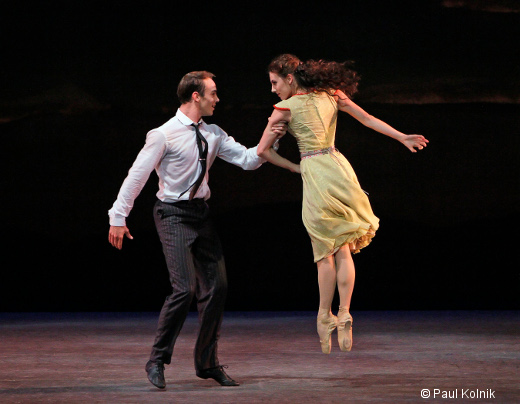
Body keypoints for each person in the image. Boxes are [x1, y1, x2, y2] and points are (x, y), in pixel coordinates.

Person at [108, 71, 287, 389]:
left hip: (200, 215)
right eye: (213, 93)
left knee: (217, 288)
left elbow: (247, 160)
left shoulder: (215, 133)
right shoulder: (164, 134)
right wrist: (118, 218)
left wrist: (272, 134)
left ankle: (207, 364)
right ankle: (157, 359)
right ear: (195, 96)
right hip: (172, 214)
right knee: (184, 289)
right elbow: (137, 176)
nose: (217, 99)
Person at [257, 54, 428, 354]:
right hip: (339, 168)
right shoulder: (332, 94)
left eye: (274, 82)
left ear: (289, 78)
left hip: (315, 172)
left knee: (325, 252)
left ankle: (325, 316)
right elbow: (367, 119)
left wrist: (295, 167)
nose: (273, 89)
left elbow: (262, 151)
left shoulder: (283, 109)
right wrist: (402, 137)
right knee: (344, 248)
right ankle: (346, 311)